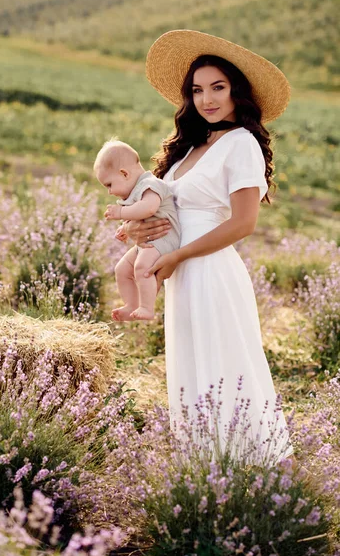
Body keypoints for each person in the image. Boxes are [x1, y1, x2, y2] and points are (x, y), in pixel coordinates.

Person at [123, 30, 293, 461]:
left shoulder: (242, 144)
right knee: (193, 366)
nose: (207, 99)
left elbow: (244, 223)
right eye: (197, 90)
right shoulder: (192, 147)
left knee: (226, 364)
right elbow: (170, 208)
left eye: (218, 87)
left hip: (211, 269)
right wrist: (141, 234)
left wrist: (178, 254)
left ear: (238, 91)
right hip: (182, 273)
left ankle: (253, 468)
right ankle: (204, 468)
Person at [94, 139, 180, 321]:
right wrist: (125, 227)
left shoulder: (151, 185)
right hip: (152, 241)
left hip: (166, 237)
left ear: (124, 173)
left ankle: (147, 308)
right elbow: (138, 216)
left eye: (109, 185)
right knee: (122, 269)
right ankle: (131, 304)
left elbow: (148, 209)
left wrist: (121, 212)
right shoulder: (134, 190)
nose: (109, 192)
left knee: (141, 266)